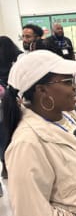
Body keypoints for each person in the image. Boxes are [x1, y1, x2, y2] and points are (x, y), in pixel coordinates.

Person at [2, 50, 76, 216]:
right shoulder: (27, 143)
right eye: (67, 81)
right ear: (41, 90)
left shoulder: (68, 115)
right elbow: (29, 210)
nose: (74, 87)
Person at [0, 36, 23, 197]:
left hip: (4, 106)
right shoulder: (17, 61)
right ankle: (11, 166)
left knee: (3, 138)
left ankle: (6, 165)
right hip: (14, 104)